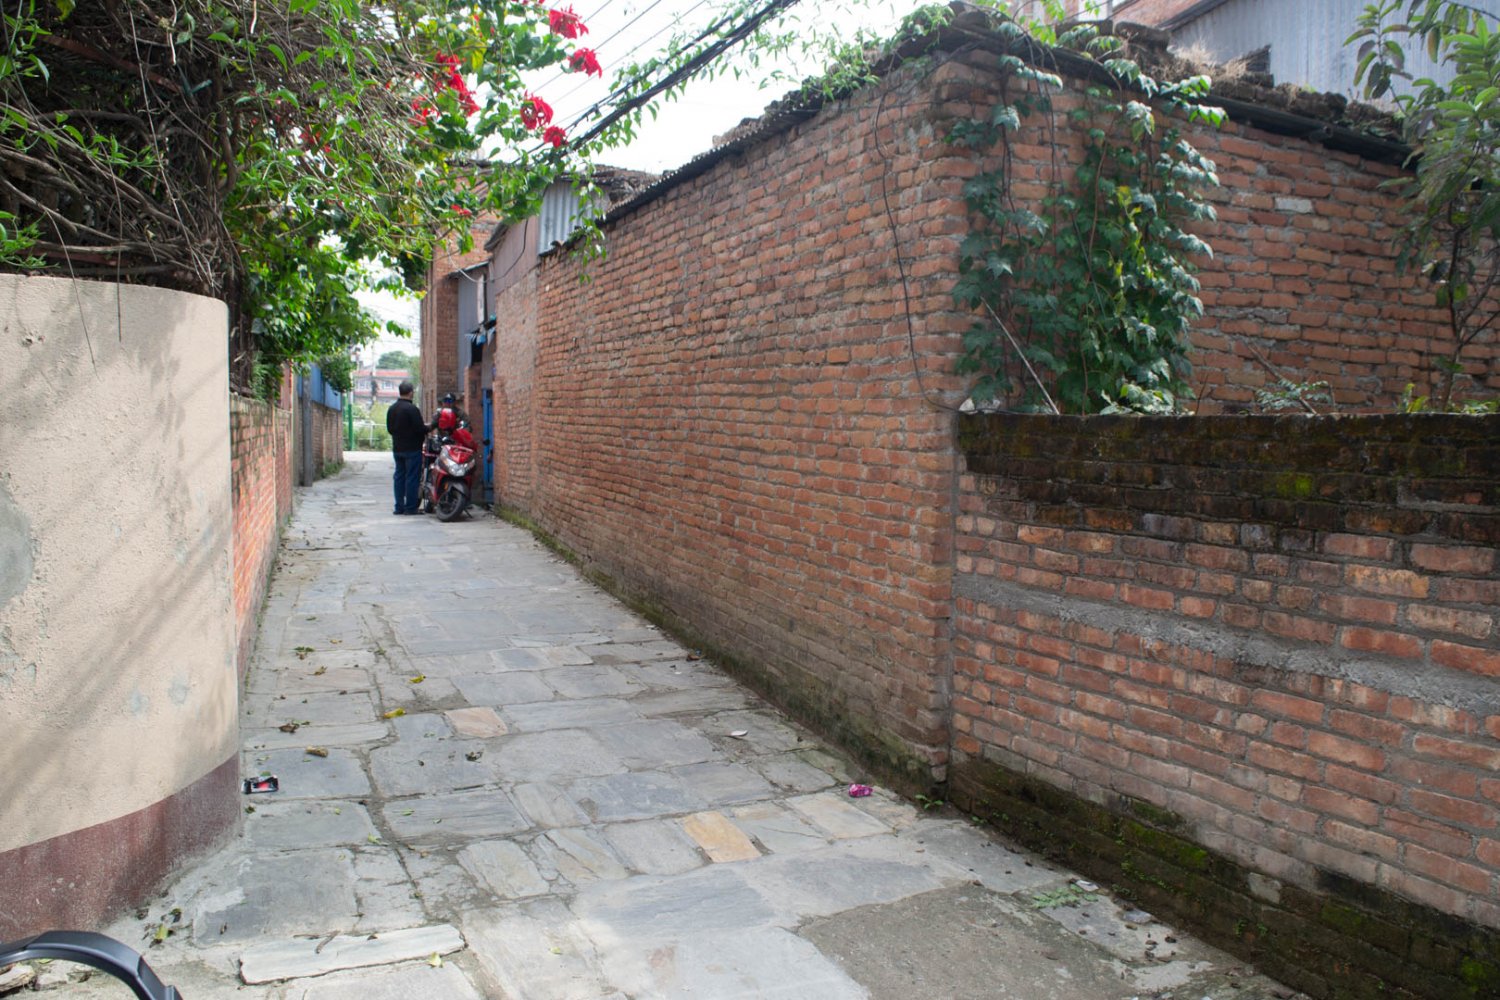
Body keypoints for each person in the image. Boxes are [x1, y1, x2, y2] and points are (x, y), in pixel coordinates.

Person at [385, 381, 425, 515]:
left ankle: (399, 507)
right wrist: (431, 427)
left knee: (399, 477)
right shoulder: (412, 409)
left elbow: (390, 429)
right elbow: (420, 429)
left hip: (397, 448)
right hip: (413, 448)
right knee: (412, 478)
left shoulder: (392, 409)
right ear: (411, 392)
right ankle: (410, 508)